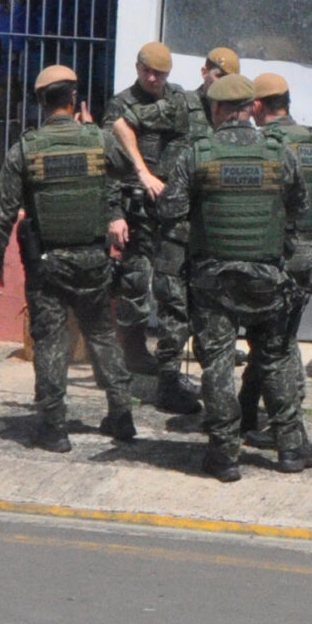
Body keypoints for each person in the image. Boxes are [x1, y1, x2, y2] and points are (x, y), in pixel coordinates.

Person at [0, 65, 138, 453]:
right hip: (92, 259)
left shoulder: (26, 148)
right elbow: (125, 167)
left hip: (47, 264)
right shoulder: (97, 139)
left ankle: (54, 428)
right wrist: (92, 129)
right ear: (74, 99)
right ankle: (121, 415)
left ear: (40, 103)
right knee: (101, 333)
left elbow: (1, 212)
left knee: (51, 341)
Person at [182, 73, 312, 482]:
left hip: (213, 279)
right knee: (273, 358)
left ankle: (224, 457)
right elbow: (301, 204)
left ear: (219, 110)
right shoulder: (280, 152)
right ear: (250, 108)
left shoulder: (198, 153)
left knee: (218, 363)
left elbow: (169, 209)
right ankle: (290, 448)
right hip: (267, 277)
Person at [105, 41, 208, 413]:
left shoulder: (179, 99)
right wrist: (114, 212)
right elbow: (108, 165)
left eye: (160, 74)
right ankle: (131, 351)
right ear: (137, 68)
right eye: (148, 72)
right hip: (136, 208)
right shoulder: (120, 104)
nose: (153, 79)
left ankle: (168, 359)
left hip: (173, 210)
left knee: (173, 286)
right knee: (134, 281)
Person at [239, 72, 312, 465]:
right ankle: (247, 409)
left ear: (259, 105)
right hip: (310, 250)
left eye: (250, 106)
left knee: (277, 342)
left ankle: (290, 425)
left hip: (279, 253)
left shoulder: (269, 145)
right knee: (274, 335)